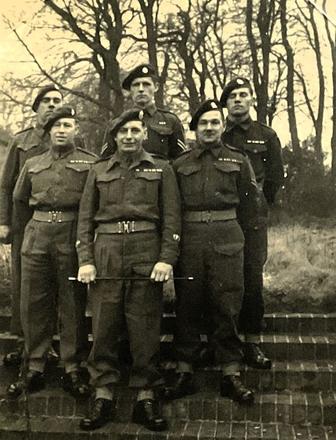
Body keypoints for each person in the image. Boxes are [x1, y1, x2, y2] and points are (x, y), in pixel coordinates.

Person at [76, 109, 181, 431]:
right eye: (123, 132)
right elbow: (84, 219)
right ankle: (103, 394)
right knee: (105, 323)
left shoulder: (162, 169)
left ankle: (145, 397)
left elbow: (172, 217)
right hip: (106, 249)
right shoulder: (98, 170)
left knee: (145, 325)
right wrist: (86, 259)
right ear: (115, 136)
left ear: (144, 135)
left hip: (145, 248)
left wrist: (166, 258)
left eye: (136, 130)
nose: (130, 137)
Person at [164, 99, 260, 404]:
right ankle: (184, 371)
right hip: (190, 238)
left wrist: (244, 243)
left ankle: (231, 373)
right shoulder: (178, 164)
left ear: (222, 126)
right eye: (203, 123)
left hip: (227, 236)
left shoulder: (238, 160)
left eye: (215, 122)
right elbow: (171, 208)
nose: (209, 127)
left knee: (227, 303)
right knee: (188, 303)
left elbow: (250, 207)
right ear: (194, 128)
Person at [6, 106, 96, 399]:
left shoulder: (90, 163)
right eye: (56, 125)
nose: (61, 130)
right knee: (34, 303)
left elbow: (94, 205)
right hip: (37, 234)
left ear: (76, 130)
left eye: (67, 125)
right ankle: (35, 366)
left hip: (71, 235)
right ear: (48, 131)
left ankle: (72, 366)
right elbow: (19, 201)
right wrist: (25, 238)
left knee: (72, 302)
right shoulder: (32, 163)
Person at [220, 78, 284, 369]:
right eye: (232, 96)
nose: (237, 100)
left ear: (251, 100)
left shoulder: (266, 135)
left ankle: (252, 341)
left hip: (253, 220)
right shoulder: (218, 134)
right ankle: (223, 340)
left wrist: (258, 205)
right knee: (222, 279)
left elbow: (275, 177)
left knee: (252, 277)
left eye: (243, 94)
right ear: (226, 103)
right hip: (224, 217)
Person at [0, 85, 63, 367]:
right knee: (25, 285)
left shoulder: (71, 136)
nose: (51, 105)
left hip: (60, 223)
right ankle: (23, 342)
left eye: (56, 101)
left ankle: (52, 343)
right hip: (25, 222)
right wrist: (3, 222)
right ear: (36, 107)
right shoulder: (21, 140)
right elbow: (6, 184)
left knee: (57, 283)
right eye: (46, 101)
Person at [101, 64, 187, 159]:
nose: (141, 89)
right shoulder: (117, 123)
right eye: (136, 85)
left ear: (156, 87)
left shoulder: (170, 121)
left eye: (146, 84)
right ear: (130, 90)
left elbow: (180, 160)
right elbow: (106, 162)